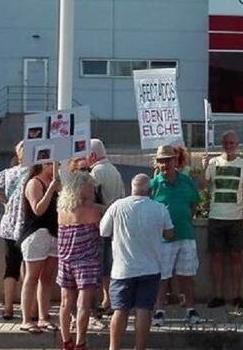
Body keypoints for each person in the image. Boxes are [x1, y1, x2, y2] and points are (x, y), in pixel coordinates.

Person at [100, 174, 174, 350]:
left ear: (131, 188)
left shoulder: (117, 206)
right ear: (149, 190)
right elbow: (170, 233)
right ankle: (139, 347)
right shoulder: (159, 208)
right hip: (150, 268)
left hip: (122, 269)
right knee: (144, 310)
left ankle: (114, 347)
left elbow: (103, 231)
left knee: (120, 310)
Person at [199, 131, 243, 309]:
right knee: (216, 257)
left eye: (232, 143)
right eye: (226, 143)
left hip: (236, 218)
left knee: (236, 257)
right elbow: (202, 185)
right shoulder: (213, 163)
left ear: (237, 145)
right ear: (222, 144)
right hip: (216, 216)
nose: (229, 146)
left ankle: (237, 295)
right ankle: (218, 295)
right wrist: (203, 167)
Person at [150, 145, 203, 326]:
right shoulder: (153, 184)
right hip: (163, 239)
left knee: (186, 275)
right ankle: (159, 311)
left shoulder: (187, 181)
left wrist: (184, 217)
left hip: (186, 235)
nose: (165, 164)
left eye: (168, 160)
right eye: (161, 161)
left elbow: (194, 203)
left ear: (175, 161)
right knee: (162, 276)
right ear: (157, 163)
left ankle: (190, 309)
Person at [0, 141, 29, 320]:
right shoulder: (34, 173)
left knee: (11, 266)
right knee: (28, 268)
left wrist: (4, 201)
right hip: (27, 224)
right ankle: (28, 309)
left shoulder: (9, 173)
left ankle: (8, 307)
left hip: (9, 224)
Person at [57, 171, 103, 350]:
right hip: (86, 260)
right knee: (83, 304)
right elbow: (104, 220)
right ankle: (80, 342)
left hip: (65, 259)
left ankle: (66, 340)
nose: (93, 190)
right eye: (90, 187)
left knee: (65, 303)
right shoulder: (91, 211)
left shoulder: (62, 209)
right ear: (82, 189)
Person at [19, 162, 60, 333]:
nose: (56, 167)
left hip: (53, 233)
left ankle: (44, 317)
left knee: (47, 277)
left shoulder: (55, 182)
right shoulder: (34, 182)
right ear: (44, 165)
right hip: (36, 233)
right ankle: (26, 319)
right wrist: (50, 190)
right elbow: (38, 209)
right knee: (32, 277)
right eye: (54, 164)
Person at [87, 138, 125, 317]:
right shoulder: (114, 170)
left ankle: (105, 301)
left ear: (93, 155)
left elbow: (90, 200)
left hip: (100, 223)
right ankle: (110, 299)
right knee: (110, 263)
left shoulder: (96, 172)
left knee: (101, 265)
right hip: (115, 224)